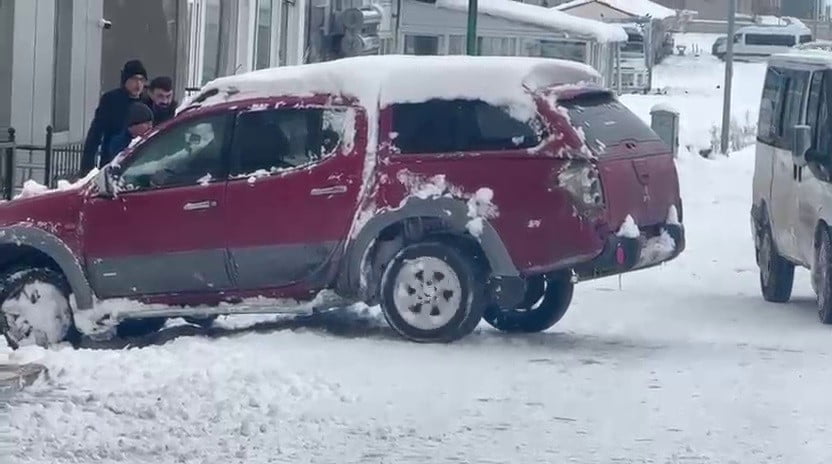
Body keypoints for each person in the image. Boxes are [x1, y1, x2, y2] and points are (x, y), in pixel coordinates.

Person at [81, 59, 151, 174]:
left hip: (140, 164)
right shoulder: (111, 100)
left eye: (141, 80)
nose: (138, 84)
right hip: (112, 160)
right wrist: (87, 167)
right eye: (134, 79)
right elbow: (96, 132)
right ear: (125, 80)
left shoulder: (147, 102)